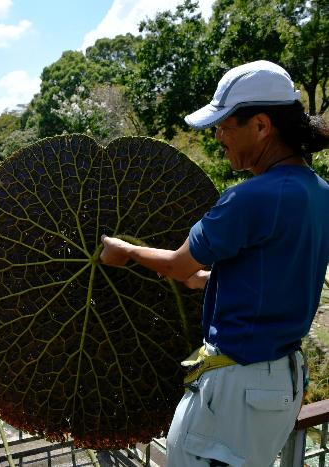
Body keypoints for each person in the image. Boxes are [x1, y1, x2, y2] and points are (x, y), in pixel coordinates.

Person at [100, 60, 329, 466]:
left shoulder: (248, 198)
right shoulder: (320, 193)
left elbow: (176, 264)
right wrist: (213, 280)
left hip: (237, 383)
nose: (218, 135)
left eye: (225, 125)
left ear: (261, 126)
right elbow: (281, 268)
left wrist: (126, 250)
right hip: (283, 381)